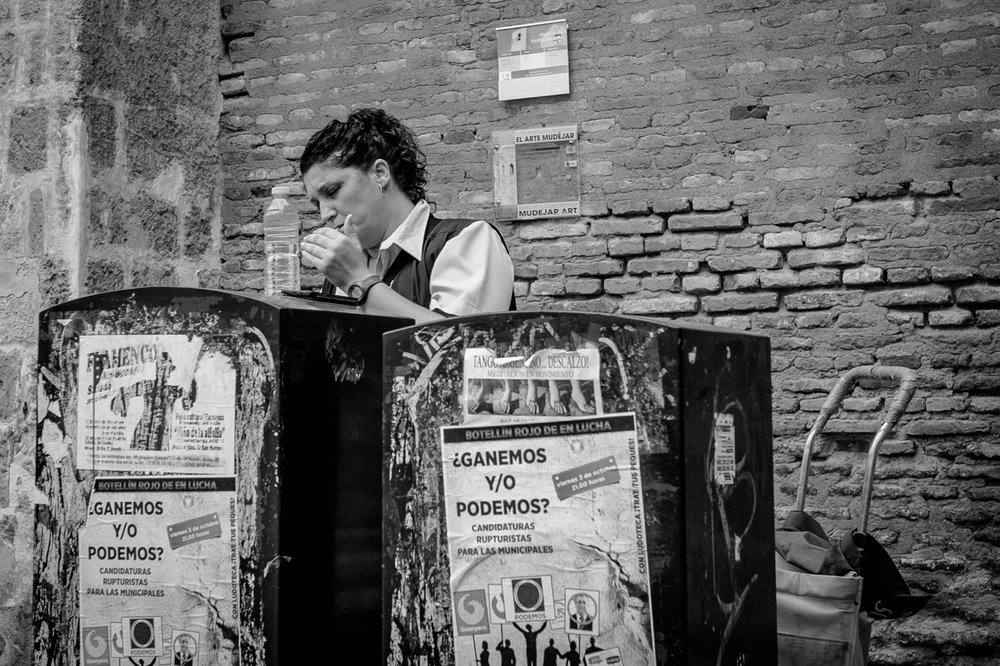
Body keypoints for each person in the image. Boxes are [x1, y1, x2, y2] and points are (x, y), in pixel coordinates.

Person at [300, 108, 515, 323]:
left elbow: (459, 345)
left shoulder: (466, 240)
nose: (324, 214)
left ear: (380, 173)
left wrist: (358, 281)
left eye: (332, 191)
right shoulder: (340, 271)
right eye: (316, 203)